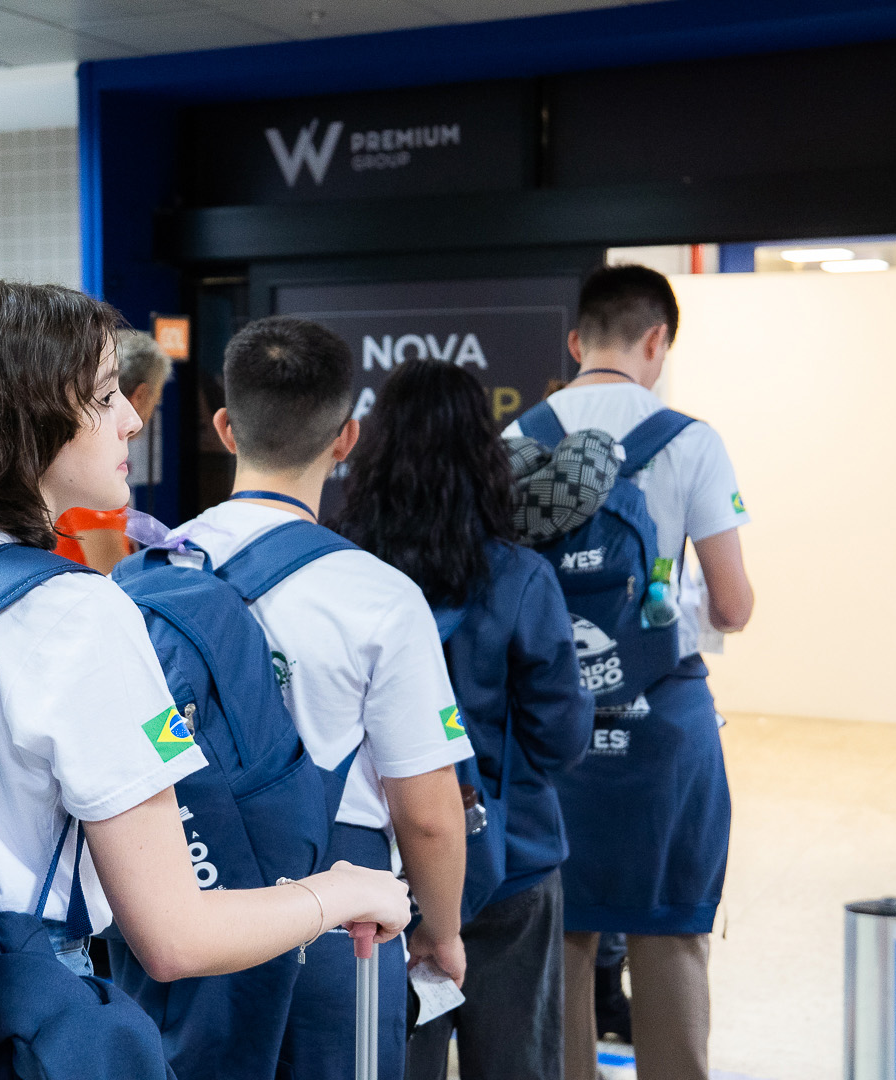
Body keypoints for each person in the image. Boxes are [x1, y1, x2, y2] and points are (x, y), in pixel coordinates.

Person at [0, 281, 411, 986]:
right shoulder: (75, 613)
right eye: (104, 395)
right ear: (27, 419)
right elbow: (177, 938)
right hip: (8, 1005)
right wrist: (340, 892)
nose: (131, 421)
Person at [160, 317, 473, 1080]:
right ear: (346, 437)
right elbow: (429, 813)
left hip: (175, 898)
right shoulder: (381, 597)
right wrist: (442, 928)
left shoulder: (150, 575)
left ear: (226, 428)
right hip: (343, 919)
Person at [502, 264, 754, 1080]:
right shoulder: (692, 440)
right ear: (657, 340)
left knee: (561, 936)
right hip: (663, 732)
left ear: (576, 342)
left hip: (548, 731)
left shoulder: (514, 441)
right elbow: (734, 605)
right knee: (669, 933)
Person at [332, 358, 594, 1080]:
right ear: (487, 456)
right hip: (511, 859)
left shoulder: (343, 576)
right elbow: (562, 737)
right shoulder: (521, 578)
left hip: (381, 868)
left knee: (393, 1060)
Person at [54, 329, 173, 572]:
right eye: (156, 401)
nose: (138, 421)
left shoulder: (83, 457)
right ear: (140, 396)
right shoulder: (91, 468)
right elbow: (115, 574)